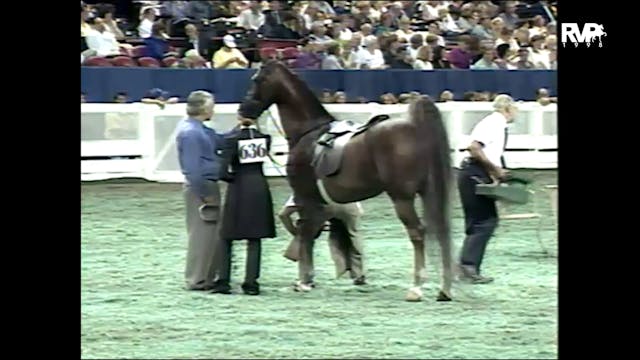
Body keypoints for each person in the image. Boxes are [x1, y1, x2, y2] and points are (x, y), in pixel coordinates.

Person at [457, 94, 518, 284]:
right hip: (476, 173)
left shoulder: (494, 123)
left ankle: (467, 266)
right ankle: (468, 266)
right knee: (485, 222)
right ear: (507, 109)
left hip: (472, 173)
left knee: (478, 222)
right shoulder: (494, 123)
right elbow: (474, 148)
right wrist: (495, 170)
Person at [213, 116, 276, 295]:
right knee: (255, 237)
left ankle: (223, 281)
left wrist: (232, 178)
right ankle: (251, 283)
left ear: (239, 118)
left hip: (239, 187)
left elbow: (222, 172)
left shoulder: (231, 140)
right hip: (259, 185)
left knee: (226, 235)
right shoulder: (265, 138)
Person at [176, 90, 224, 291]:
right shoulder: (191, 133)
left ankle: (205, 276)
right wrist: (205, 193)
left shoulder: (200, 130)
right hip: (202, 187)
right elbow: (192, 169)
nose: (213, 108)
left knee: (209, 234)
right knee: (201, 234)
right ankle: (197, 278)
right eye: (211, 105)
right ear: (203, 108)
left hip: (206, 185)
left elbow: (221, 140)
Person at [280, 196, 366, 288]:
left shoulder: (306, 183)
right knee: (353, 235)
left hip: (318, 204)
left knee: (306, 240)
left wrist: (296, 233)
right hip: (347, 203)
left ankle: (306, 280)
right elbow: (359, 211)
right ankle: (358, 275)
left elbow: (283, 214)